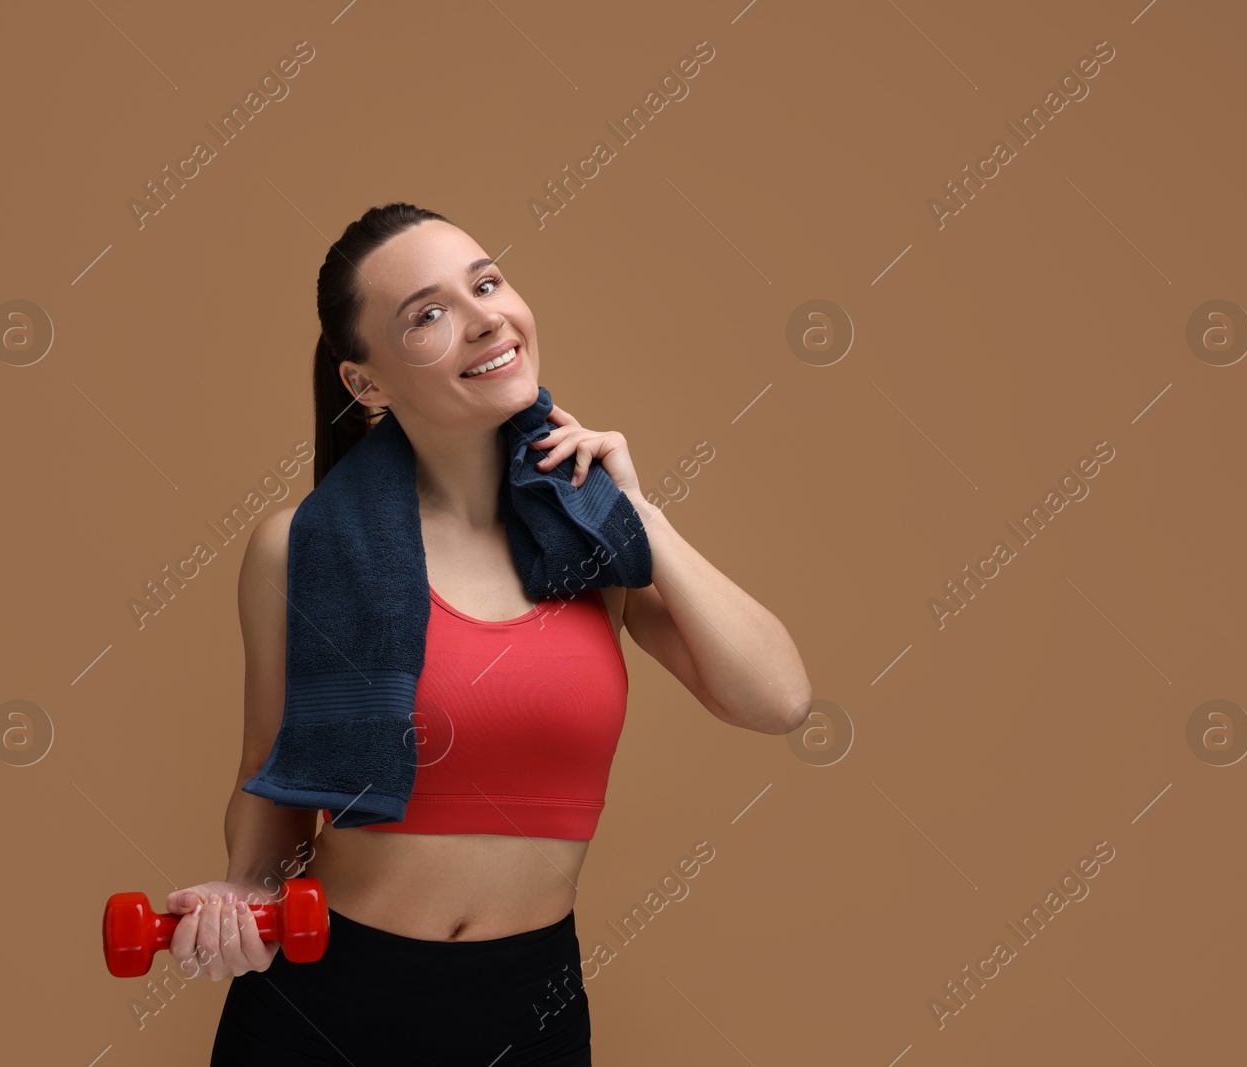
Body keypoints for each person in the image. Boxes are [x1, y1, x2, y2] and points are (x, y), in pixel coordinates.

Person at [177, 202, 813, 1064]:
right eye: (428, 315)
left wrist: (640, 516)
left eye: (487, 283)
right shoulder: (299, 548)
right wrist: (244, 896)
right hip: (324, 997)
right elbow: (273, 777)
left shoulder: (592, 537)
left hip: (528, 1008)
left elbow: (777, 699)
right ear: (366, 383)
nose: (484, 319)